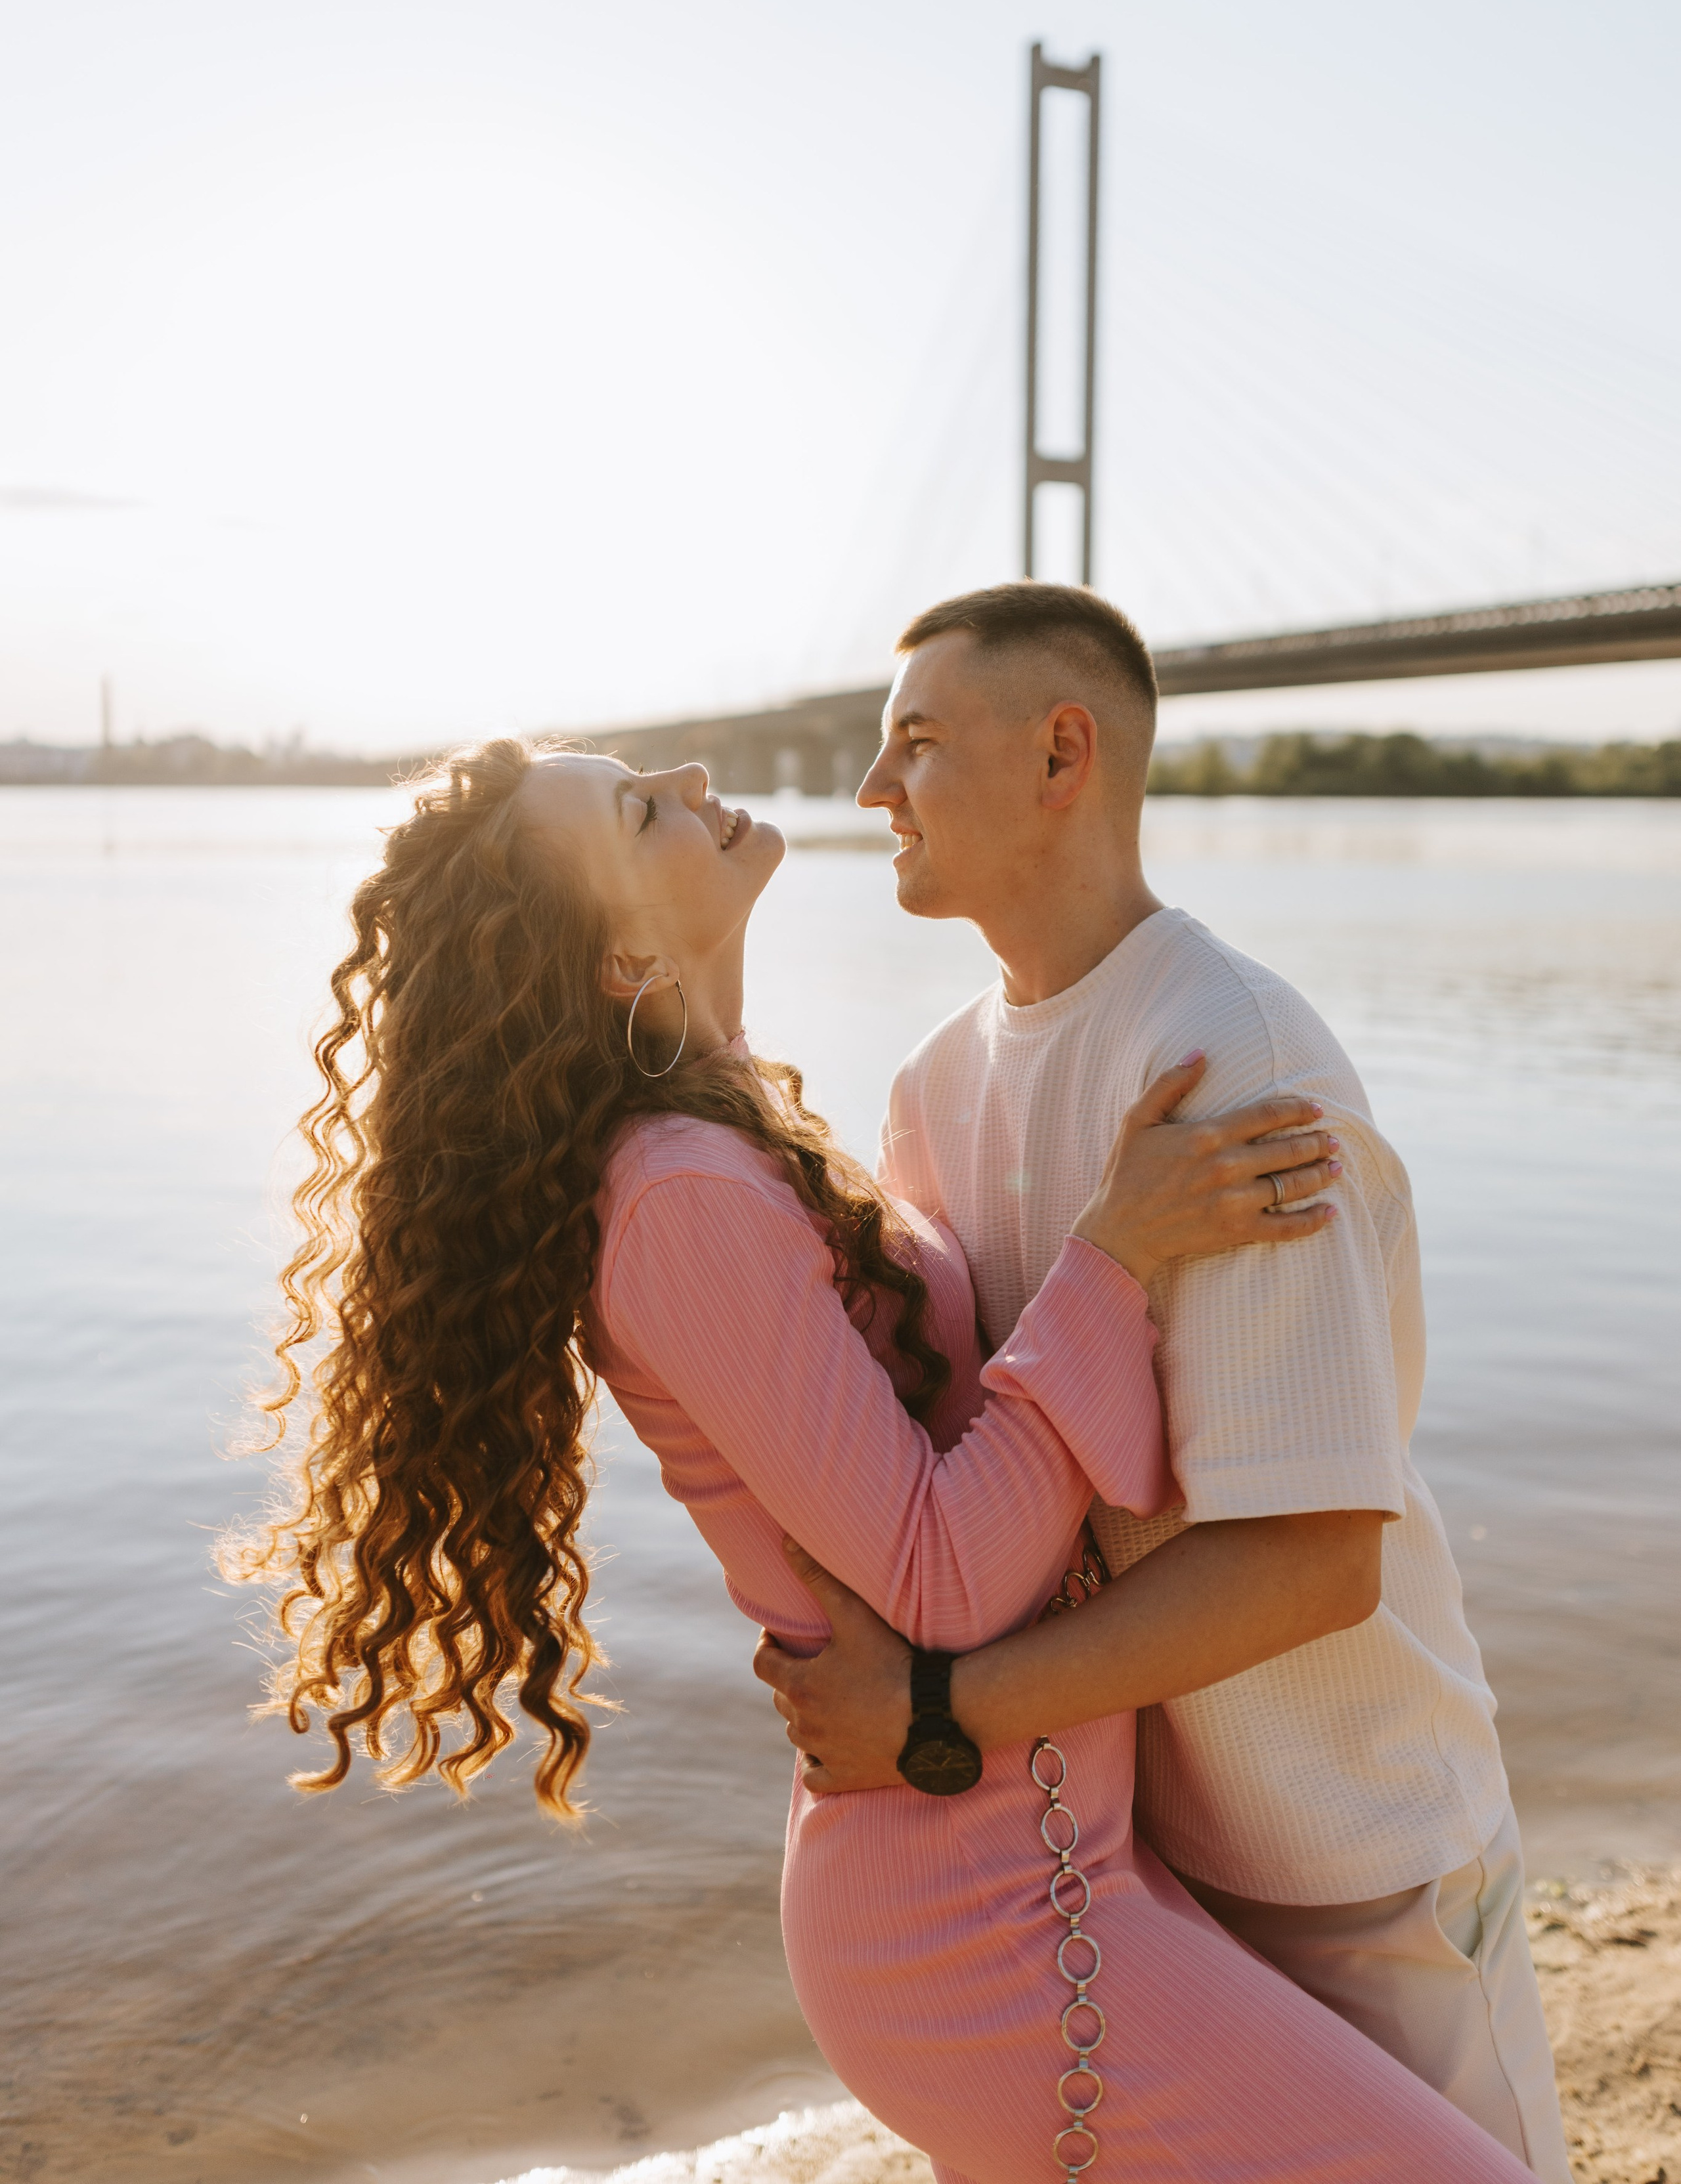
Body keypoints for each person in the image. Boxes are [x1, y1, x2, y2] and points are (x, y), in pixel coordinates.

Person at [234, 734, 1537, 2184]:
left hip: (1035, 1858)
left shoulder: (735, 1137)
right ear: (615, 957)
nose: (686, 773)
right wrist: (1116, 1252)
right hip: (978, 1920)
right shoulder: (676, 1193)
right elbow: (940, 1573)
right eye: (634, 807)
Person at [755, 580, 1571, 2184]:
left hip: (1355, 1849)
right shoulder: (932, 1086)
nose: (869, 792)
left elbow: (1315, 1560)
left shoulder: (1231, 1062)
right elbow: (986, 1463)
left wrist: (930, 1717)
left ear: (1064, 753)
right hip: (1135, 1875)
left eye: (911, 744)